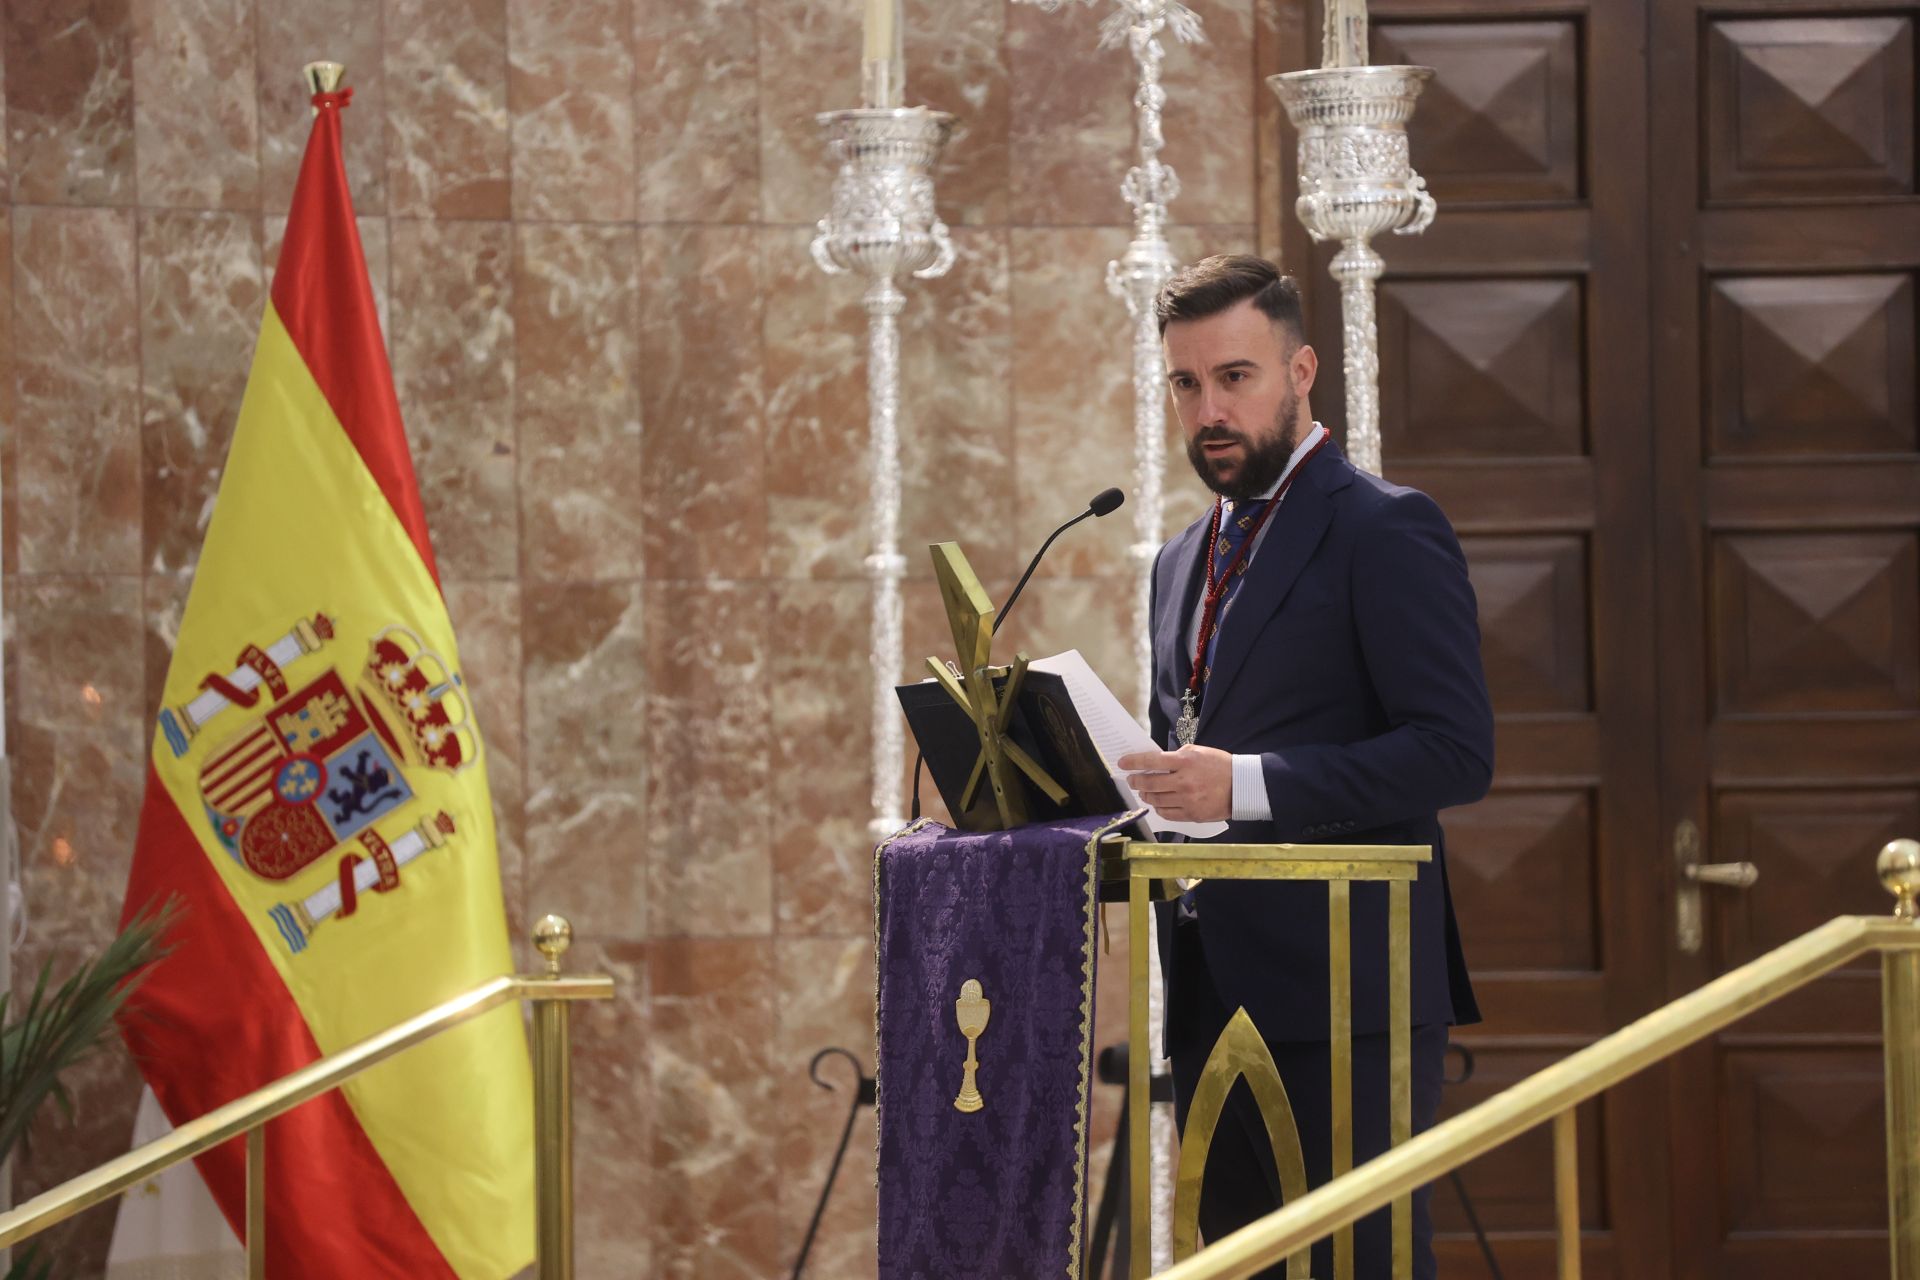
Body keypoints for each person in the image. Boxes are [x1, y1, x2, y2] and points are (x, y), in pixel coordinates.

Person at [1117, 254, 1492, 1279]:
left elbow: (1456, 750)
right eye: (1186, 384)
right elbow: (1182, 739)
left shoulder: (1383, 526)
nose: (1209, 410)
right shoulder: (1179, 559)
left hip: (1350, 987)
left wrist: (1242, 784)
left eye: (1235, 376)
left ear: (1303, 369)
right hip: (1207, 986)